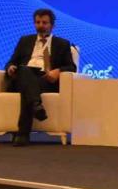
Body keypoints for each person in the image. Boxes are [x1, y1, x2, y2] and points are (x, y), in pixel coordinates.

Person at [4, 9, 77, 146]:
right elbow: (11, 61)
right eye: (37, 22)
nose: (40, 25)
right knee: (24, 71)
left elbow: (72, 67)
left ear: (52, 25)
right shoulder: (25, 40)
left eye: (44, 23)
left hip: (45, 79)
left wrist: (58, 71)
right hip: (23, 76)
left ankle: (23, 133)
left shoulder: (62, 44)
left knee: (27, 88)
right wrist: (10, 67)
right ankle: (36, 106)